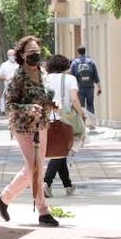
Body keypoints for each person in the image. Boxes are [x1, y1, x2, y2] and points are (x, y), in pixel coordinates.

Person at [0, 36, 60, 227]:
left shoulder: (43, 72)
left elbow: (46, 94)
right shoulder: (18, 76)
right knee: (35, 167)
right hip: (24, 127)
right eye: (30, 52)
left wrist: (52, 104)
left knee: (33, 166)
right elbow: (9, 105)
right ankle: (43, 211)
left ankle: (3, 198)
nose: (35, 54)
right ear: (22, 55)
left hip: (42, 125)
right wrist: (29, 108)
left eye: (37, 51)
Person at [44, 54, 82, 197]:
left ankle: (68, 185)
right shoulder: (70, 79)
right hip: (65, 118)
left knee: (61, 151)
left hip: (47, 118)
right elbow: (74, 99)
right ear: (66, 66)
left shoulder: (45, 79)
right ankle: (46, 182)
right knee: (61, 152)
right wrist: (82, 115)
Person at [70, 46, 101, 118]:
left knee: (81, 105)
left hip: (79, 87)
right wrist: (99, 88)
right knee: (90, 104)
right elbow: (96, 76)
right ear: (85, 51)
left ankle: (83, 122)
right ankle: (92, 123)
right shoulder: (91, 62)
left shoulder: (74, 63)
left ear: (78, 52)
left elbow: (72, 77)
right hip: (90, 87)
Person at [0, 47, 18, 112]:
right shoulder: (4, 65)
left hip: (18, 87)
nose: (12, 56)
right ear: (8, 56)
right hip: (8, 88)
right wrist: (6, 78)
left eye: (13, 55)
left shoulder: (18, 64)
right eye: (10, 55)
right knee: (9, 104)